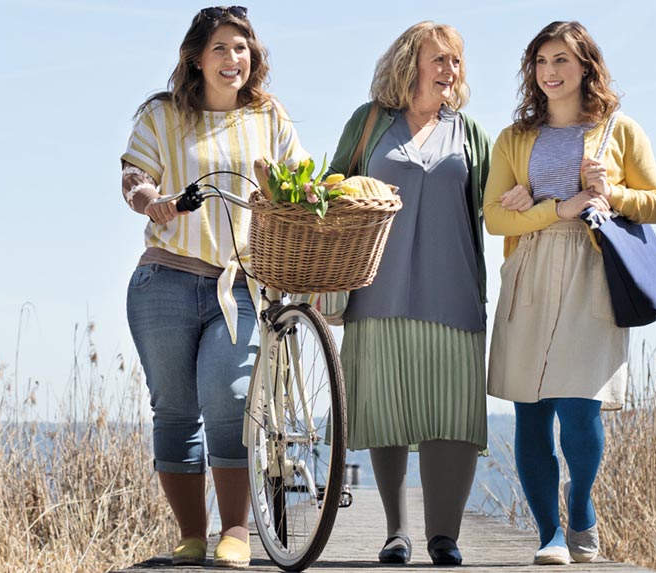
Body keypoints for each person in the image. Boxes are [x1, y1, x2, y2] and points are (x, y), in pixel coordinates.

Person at [117, 5, 307, 568]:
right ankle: (191, 535)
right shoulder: (162, 114)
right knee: (174, 411)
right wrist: (152, 200)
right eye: (221, 48)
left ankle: (237, 531)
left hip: (240, 284)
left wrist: (298, 205)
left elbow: (300, 179)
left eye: (242, 48)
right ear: (197, 57)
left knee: (229, 400)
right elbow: (134, 174)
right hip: (165, 279)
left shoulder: (268, 116)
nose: (233, 59)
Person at [482, 20, 656, 566]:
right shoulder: (514, 139)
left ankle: (580, 504)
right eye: (541, 61)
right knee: (532, 411)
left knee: (580, 409)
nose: (550, 72)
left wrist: (613, 194)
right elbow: (494, 217)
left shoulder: (621, 130)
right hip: (531, 274)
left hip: (593, 271)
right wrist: (553, 209)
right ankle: (550, 536)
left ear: (586, 65)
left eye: (561, 60)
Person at [325, 20, 491, 567]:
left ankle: (444, 536)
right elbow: (329, 183)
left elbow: (494, 207)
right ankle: (396, 533)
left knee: (453, 415)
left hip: (454, 292)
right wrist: (346, 189)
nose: (451, 70)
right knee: (385, 409)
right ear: (409, 63)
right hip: (377, 292)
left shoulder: (469, 134)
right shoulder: (369, 122)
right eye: (440, 58)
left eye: (457, 61)